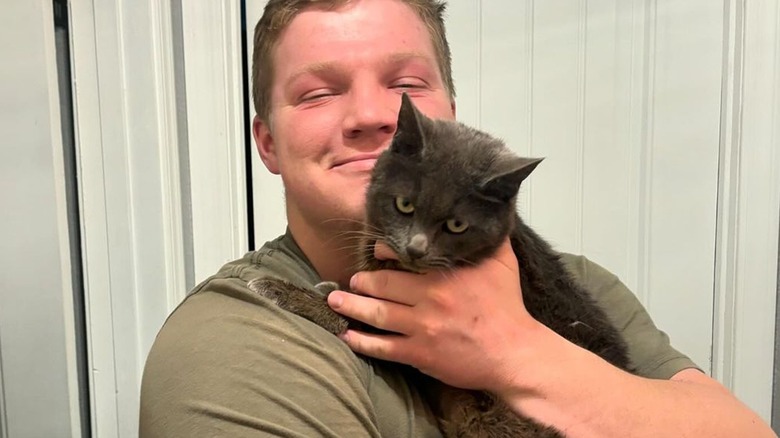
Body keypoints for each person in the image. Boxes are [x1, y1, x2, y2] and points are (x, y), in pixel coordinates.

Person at [139, 0, 776, 436]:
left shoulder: (584, 285)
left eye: (407, 85)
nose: (372, 115)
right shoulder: (239, 341)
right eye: (318, 92)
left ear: (447, 114)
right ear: (268, 142)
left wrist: (516, 352)